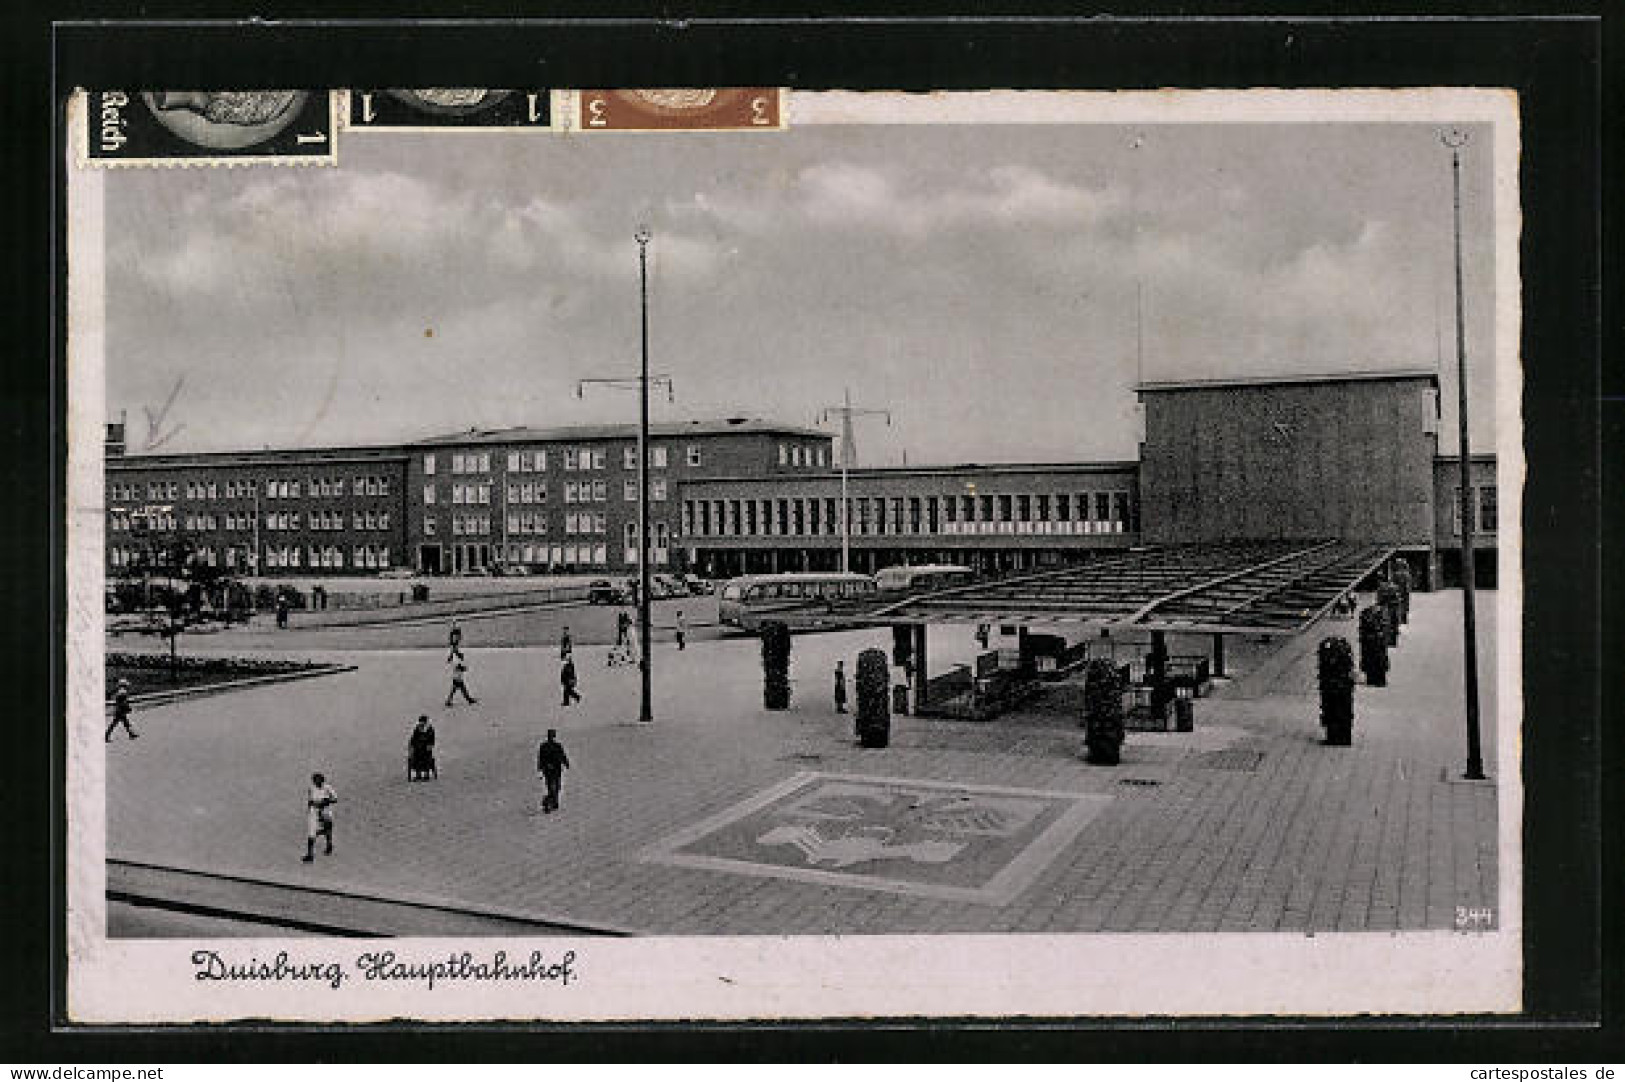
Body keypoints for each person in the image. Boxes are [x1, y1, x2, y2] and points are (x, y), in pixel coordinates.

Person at [303, 772, 337, 862]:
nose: (316, 782)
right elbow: (310, 800)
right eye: (314, 780)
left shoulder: (327, 788)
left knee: (327, 829)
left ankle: (329, 845)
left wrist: (326, 801)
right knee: (311, 833)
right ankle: (310, 855)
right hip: (314, 812)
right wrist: (309, 809)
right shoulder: (311, 788)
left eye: (318, 780)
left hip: (325, 811)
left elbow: (335, 799)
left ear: (322, 780)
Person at [535, 729, 571, 813]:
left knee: (553, 787)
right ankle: (548, 803)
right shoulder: (556, 746)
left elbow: (540, 758)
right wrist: (566, 763)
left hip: (549, 770)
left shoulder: (545, 746)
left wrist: (540, 767)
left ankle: (553, 802)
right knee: (555, 787)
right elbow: (562, 755)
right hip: (554, 770)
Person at [407, 715, 437, 781]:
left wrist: (429, 745)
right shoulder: (417, 728)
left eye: (422, 722)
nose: (421, 723)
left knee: (425, 756)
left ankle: (426, 774)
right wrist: (412, 745)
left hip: (426, 748)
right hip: (417, 748)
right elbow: (413, 738)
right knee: (415, 756)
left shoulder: (430, 729)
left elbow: (432, 740)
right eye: (420, 722)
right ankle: (418, 774)